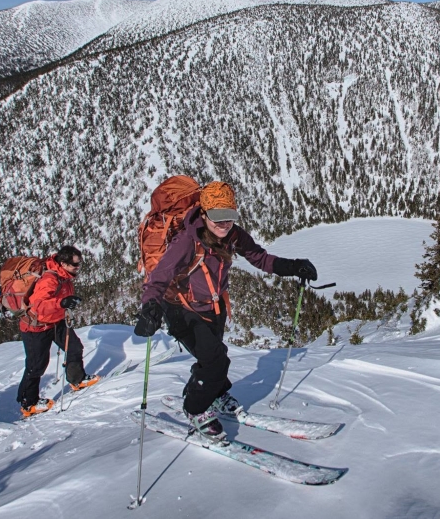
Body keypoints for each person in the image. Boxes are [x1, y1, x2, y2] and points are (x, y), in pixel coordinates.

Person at [134, 181, 317, 440]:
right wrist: (149, 306)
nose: (224, 224)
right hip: (180, 309)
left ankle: (215, 393)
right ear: (204, 214)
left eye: (229, 217)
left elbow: (260, 258)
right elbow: (160, 277)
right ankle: (195, 409)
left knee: (215, 357)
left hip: (213, 305)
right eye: (217, 218)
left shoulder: (233, 235)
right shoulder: (187, 241)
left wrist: (293, 266)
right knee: (215, 360)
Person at [16, 245, 100, 417]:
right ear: (63, 263)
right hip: (36, 327)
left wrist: (65, 303)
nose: (78, 268)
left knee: (74, 347)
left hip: (56, 321)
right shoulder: (49, 279)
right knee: (36, 365)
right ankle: (28, 403)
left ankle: (77, 379)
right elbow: (38, 306)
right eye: (75, 265)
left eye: (79, 264)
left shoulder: (65, 276)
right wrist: (61, 303)